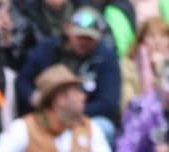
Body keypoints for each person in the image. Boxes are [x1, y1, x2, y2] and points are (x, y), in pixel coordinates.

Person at [15, 7, 121, 136]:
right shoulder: (47, 48)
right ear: (68, 29)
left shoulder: (106, 58)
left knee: (105, 128)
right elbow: (22, 80)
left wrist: (73, 113)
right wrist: (34, 98)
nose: (84, 42)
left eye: (90, 38)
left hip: (85, 118)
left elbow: (108, 103)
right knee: (20, 128)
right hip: (43, 113)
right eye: (80, 36)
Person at [120, 16, 169, 101]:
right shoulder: (127, 66)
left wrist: (162, 71)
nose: (158, 42)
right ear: (142, 40)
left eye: (163, 36)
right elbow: (127, 102)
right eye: (151, 36)